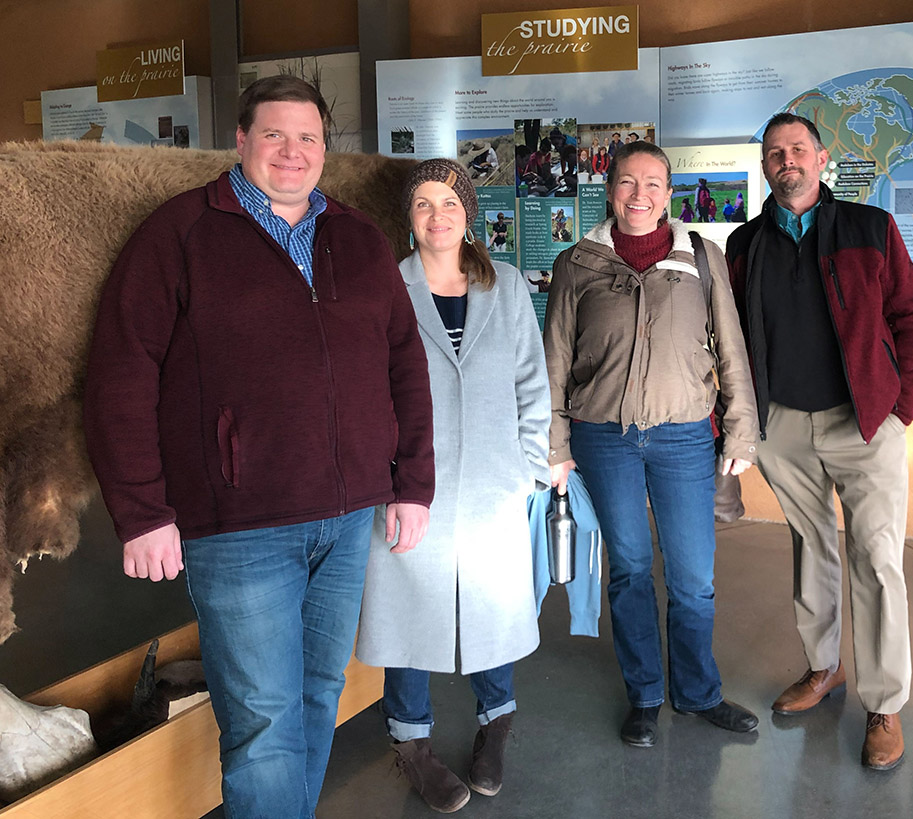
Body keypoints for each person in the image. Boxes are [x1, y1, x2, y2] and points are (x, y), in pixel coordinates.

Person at [82, 76, 435, 818]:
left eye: (307, 137)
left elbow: (404, 360)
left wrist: (411, 482)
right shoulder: (178, 234)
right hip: (239, 529)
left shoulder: (360, 240)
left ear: (323, 150)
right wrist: (142, 510)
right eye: (273, 135)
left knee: (315, 698)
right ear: (240, 141)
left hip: (344, 521)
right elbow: (120, 369)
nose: (292, 152)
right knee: (265, 725)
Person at [725, 113, 913, 771]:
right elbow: (729, 339)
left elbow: (911, 315)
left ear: (821, 159)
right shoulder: (746, 243)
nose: (785, 160)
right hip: (783, 424)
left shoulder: (869, 229)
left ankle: (884, 701)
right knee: (810, 545)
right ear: (764, 167)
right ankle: (824, 667)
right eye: (773, 152)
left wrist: (903, 405)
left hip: (864, 422)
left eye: (796, 149)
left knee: (876, 558)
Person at [543, 141, 761, 749]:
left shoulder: (701, 257)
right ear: (609, 190)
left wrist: (741, 426)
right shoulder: (577, 263)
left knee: (693, 577)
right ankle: (644, 694)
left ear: (669, 194)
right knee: (631, 569)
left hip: (684, 437)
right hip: (602, 439)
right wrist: (555, 443)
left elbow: (732, 350)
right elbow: (555, 358)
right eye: (627, 183)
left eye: (653, 184)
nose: (640, 195)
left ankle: (698, 693)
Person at [357, 158, 550, 813]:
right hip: (411, 485)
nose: (438, 215)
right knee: (408, 608)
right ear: (408, 218)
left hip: (495, 484)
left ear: (469, 212)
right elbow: (367, 394)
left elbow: (533, 383)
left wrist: (526, 469)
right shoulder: (385, 288)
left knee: (491, 602)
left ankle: (498, 716)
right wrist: (384, 481)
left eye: (450, 202)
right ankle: (411, 741)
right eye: (423, 204)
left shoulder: (510, 287)